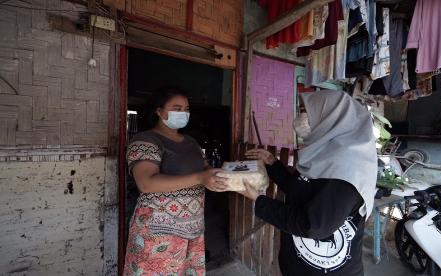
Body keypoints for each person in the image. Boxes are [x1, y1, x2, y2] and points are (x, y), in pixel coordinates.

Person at [242, 90, 378, 276]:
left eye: (307, 111)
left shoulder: (348, 170)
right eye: (301, 110)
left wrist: (260, 201)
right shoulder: (322, 153)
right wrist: (272, 163)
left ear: (331, 118)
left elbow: (312, 225)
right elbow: (299, 189)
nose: (300, 118)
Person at [123, 87, 228, 276]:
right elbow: (146, 183)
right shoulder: (146, 140)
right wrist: (200, 178)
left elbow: (204, 169)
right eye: (177, 108)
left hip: (192, 227)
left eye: (186, 109)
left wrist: (226, 174)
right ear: (159, 111)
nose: (184, 113)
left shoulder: (191, 142)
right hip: (158, 230)